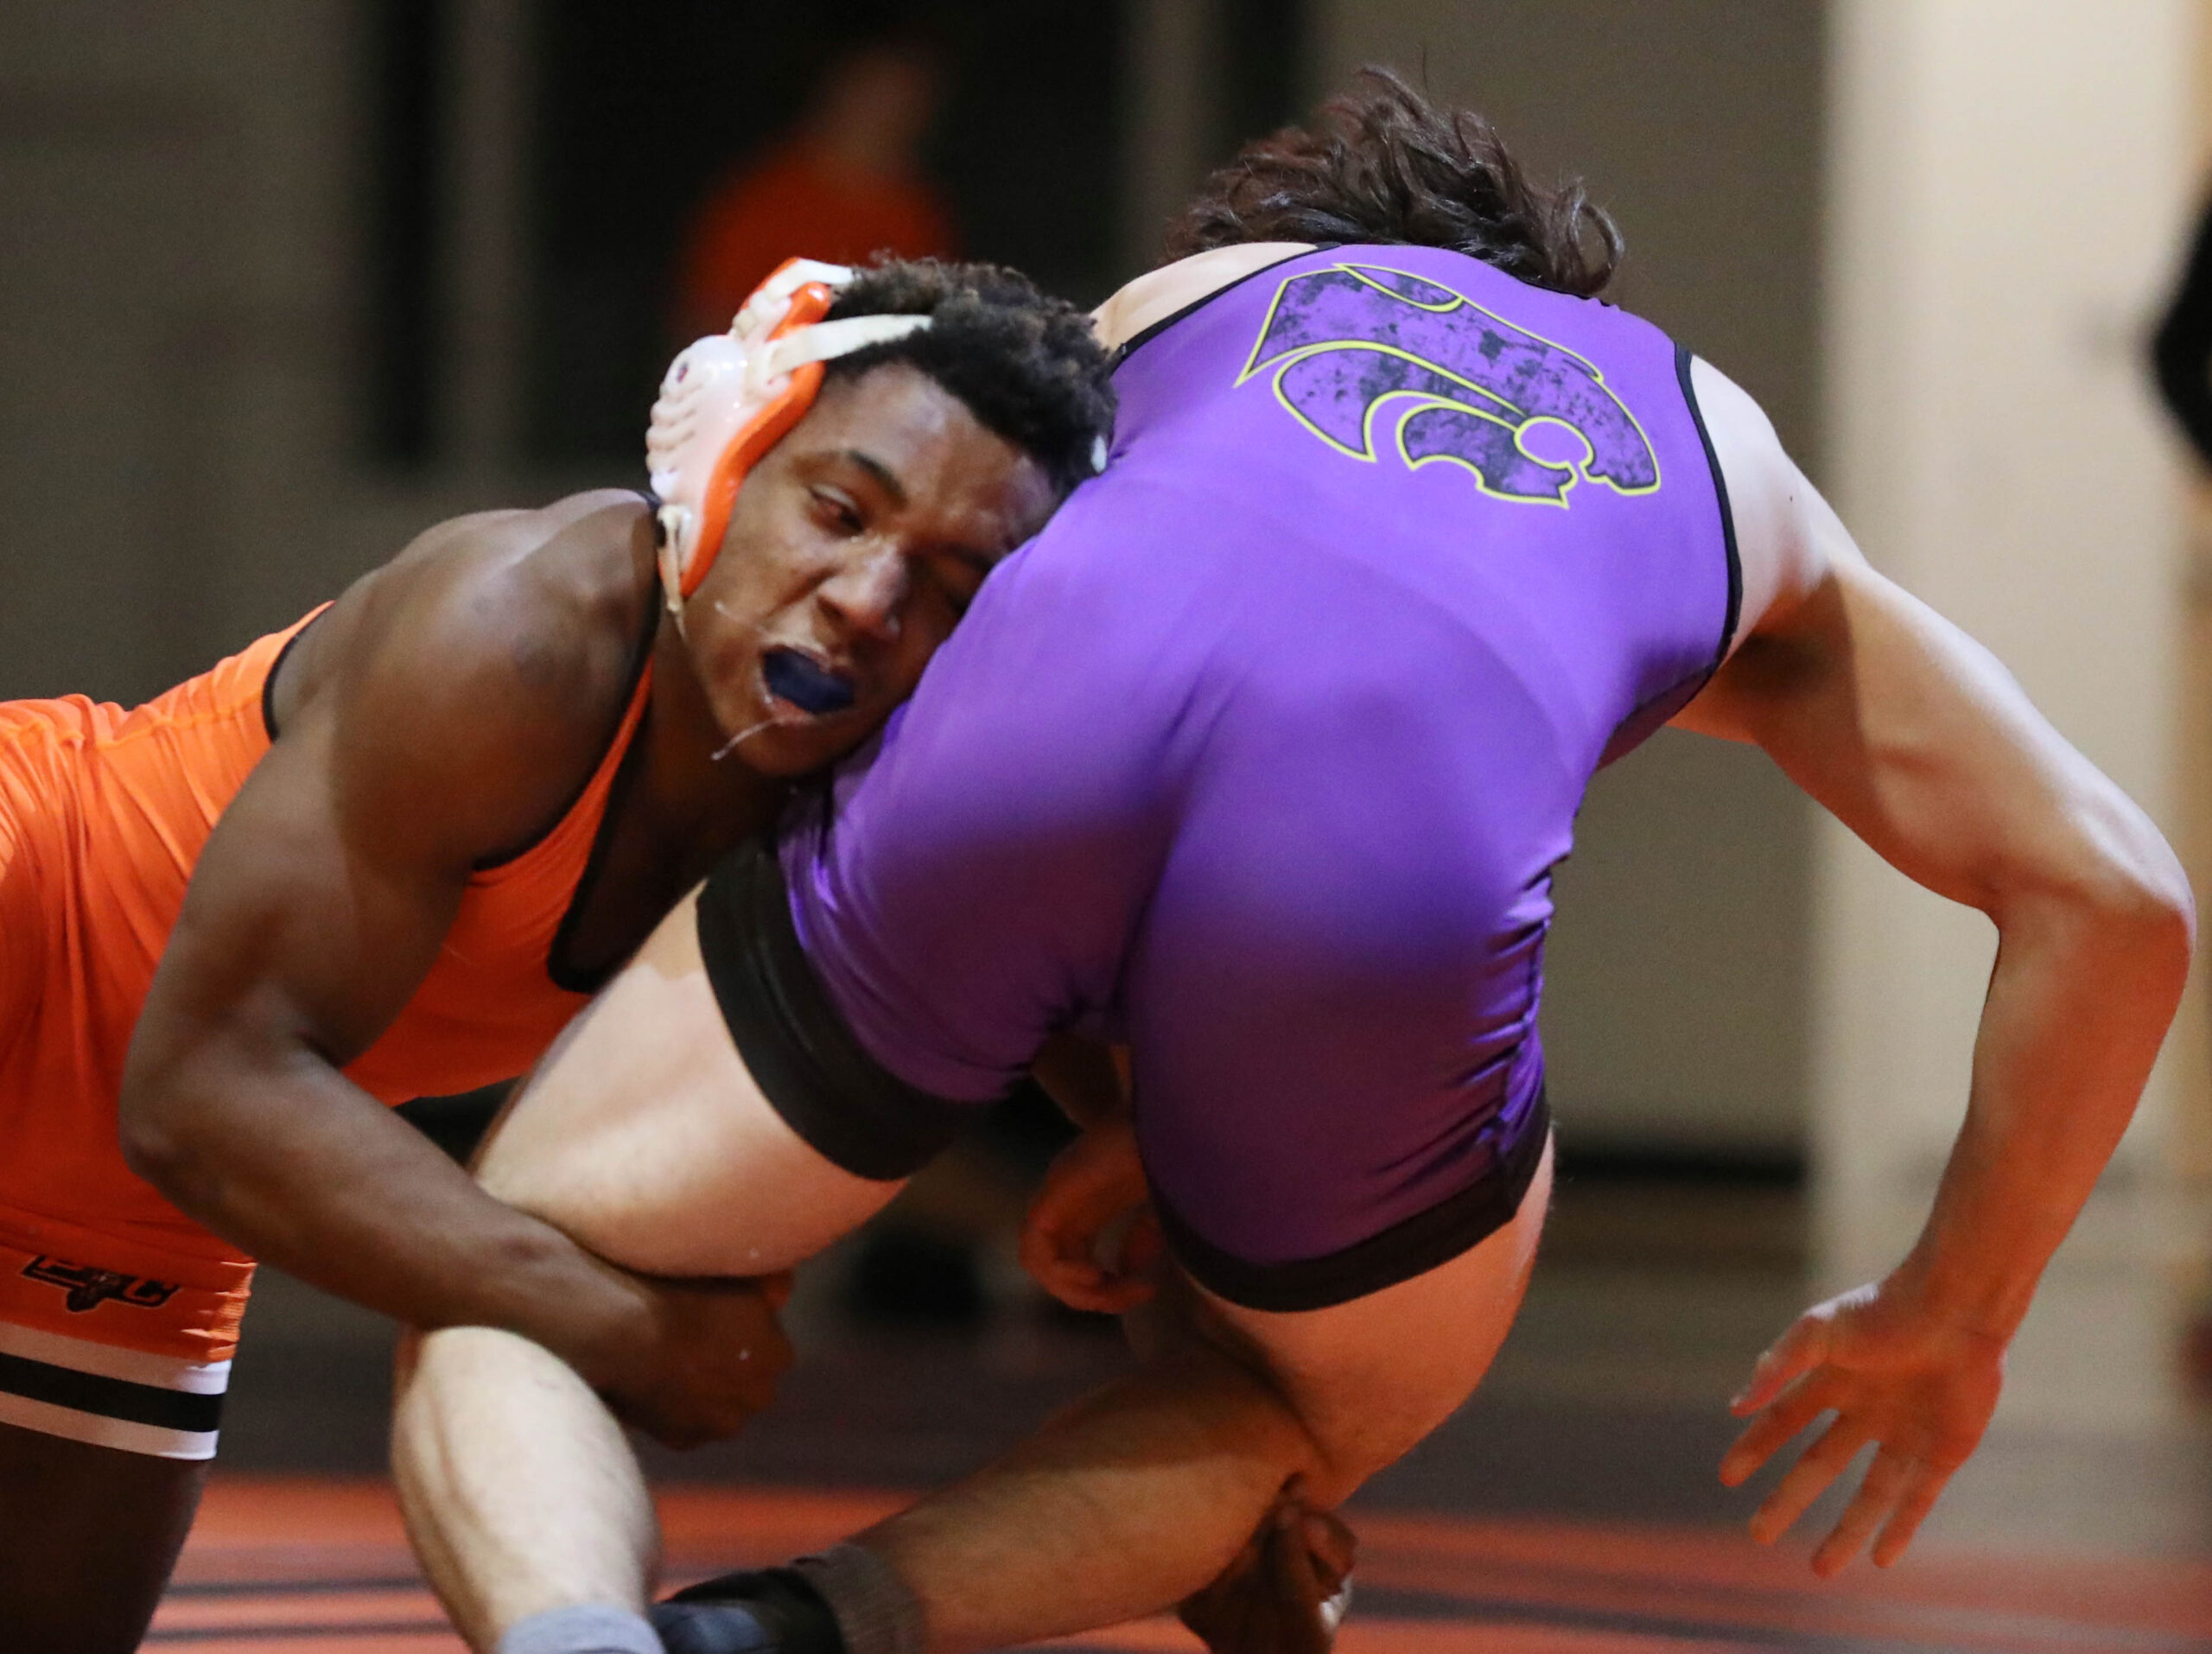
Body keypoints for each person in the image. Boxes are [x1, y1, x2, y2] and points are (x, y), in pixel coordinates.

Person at [392, 74, 2195, 1654]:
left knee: (515, 1267)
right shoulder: (1725, 459)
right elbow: (2116, 897)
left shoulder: (1186, 302)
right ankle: (784, 1632)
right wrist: (1951, 1316)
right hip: (1387, 877)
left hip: (1040, 726)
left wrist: (1104, 1081)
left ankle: (580, 1638)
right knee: (1271, 1410)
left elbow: (988, 636)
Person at [0, 257, 1113, 1654]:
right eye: (839, 510)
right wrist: (621, 1325)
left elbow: (1118, 1090)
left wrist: (1248, 1427)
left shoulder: (875, 802)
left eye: (947, 586)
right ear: (724, 456)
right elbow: (202, 1084)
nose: (866, 598)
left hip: (142, 1220)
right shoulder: (517, 633)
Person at [675, 25, 956, 344]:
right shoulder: (763, 200)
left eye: (907, 99)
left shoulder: (920, 214)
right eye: (875, 92)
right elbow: (703, 327)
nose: (887, 113)